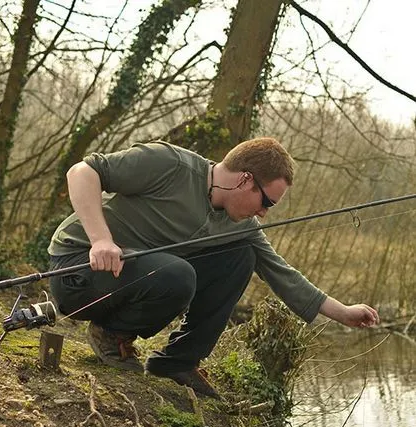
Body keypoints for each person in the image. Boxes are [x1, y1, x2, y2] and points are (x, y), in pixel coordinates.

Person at [48, 137, 379, 398]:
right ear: (245, 180)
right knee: (178, 274)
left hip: (138, 276)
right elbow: (83, 172)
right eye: (267, 202)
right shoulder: (169, 164)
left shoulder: (240, 225)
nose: (264, 213)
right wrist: (101, 239)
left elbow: (282, 274)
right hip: (77, 270)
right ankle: (111, 335)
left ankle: (178, 362)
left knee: (241, 257)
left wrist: (345, 313)